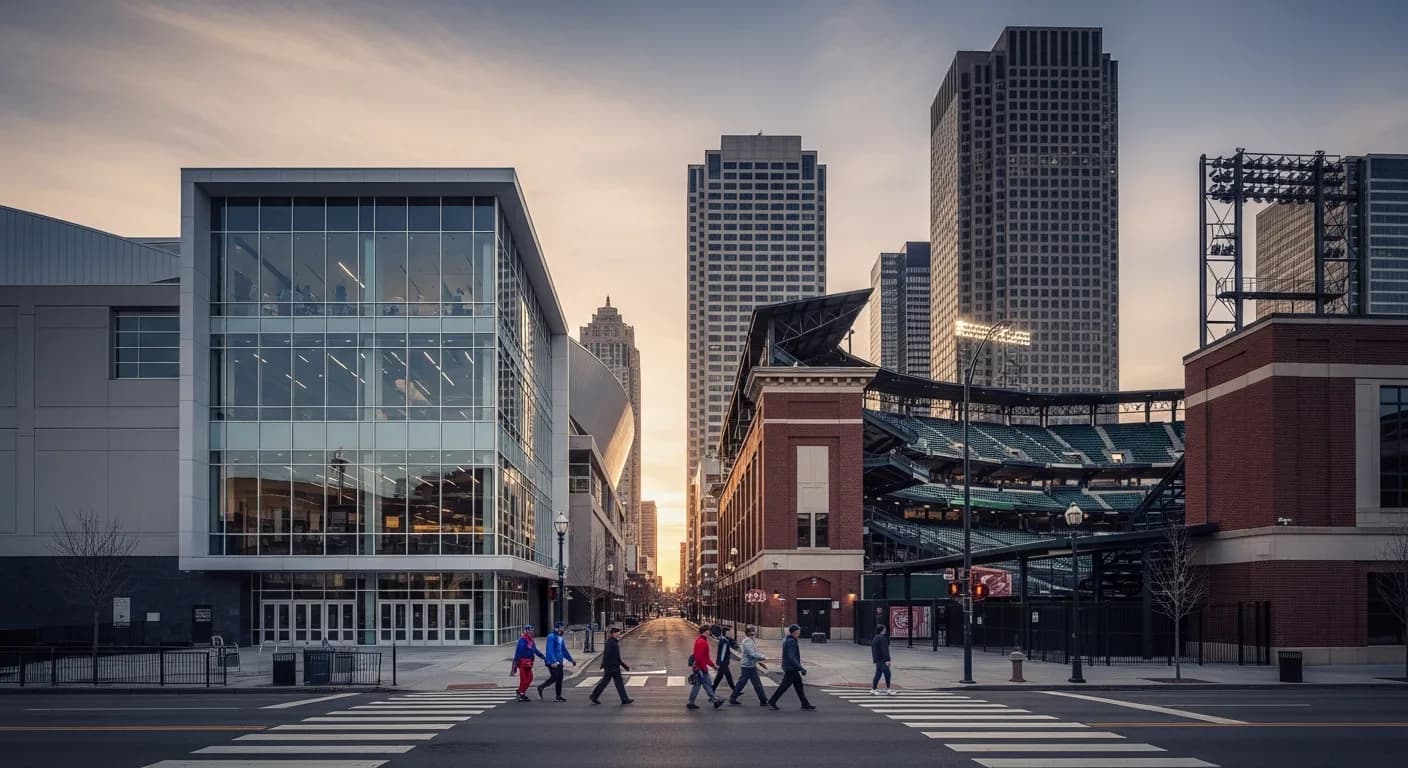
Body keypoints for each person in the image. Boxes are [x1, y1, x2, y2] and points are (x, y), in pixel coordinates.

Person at [767, 624, 816, 711]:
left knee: (799, 686)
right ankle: (772, 700)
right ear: (795, 632)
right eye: (798, 631)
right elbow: (791, 656)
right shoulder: (791, 642)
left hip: (790, 667)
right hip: (791, 668)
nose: (799, 632)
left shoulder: (789, 639)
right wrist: (800, 667)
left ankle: (805, 703)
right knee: (784, 686)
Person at [590, 626, 634, 705]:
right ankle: (624, 699)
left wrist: (623, 666)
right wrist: (604, 664)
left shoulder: (613, 642)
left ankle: (594, 695)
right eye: (618, 632)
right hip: (612, 666)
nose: (619, 634)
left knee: (610, 682)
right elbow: (607, 655)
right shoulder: (611, 643)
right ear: (613, 634)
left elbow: (615, 656)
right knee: (612, 683)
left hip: (613, 666)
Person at [728, 624, 769, 706]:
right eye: (754, 631)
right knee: (745, 683)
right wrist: (762, 657)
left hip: (750, 665)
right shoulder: (747, 642)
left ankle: (763, 700)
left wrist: (760, 659)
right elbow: (752, 654)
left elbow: (754, 653)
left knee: (753, 683)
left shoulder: (750, 641)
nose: (756, 632)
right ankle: (763, 700)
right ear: (751, 633)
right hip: (747, 666)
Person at [537, 621, 576, 701]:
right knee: (556, 677)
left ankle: (557, 695)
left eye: (563, 628)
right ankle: (542, 688)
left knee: (558, 678)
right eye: (561, 628)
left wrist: (571, 659)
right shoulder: (551, 637)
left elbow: (564, 650)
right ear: (556, 628)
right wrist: (554, 661)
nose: (562, 630)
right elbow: (549, 650)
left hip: (560, 661)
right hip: (552, 662)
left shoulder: (560, 638)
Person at [688, 624, 723, 710]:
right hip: (701, 668)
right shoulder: (702, 642)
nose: (710, 632)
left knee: (699, 685)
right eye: (708, 630)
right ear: (705, 631)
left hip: (700, 667)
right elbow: (700, 657)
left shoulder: (700, 640)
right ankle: (715, 700)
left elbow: (705, 657)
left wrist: (713, 665)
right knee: (707, 684)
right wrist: (699, 667)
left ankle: (691, 702)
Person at [511, 624, 546, 702]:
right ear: (526, 631)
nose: (532, 633)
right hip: (522, 663)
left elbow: (535, 650)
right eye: (530, 631)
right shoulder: (522, 640)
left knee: (529, 678)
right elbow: (518, 653)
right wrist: (515, 665)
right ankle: (521, 694)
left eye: (532, 631)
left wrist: (543, 657)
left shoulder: (531, 640)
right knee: (525, 679)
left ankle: (520, 691)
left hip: (529, 663)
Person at [871, 624, 895, 695]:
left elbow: (874, 650)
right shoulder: (882, 638)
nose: (885, 630)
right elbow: (885, 650)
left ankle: (884, 689)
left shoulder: (875, 638)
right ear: (882, 630)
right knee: (883, 674)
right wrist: (887, 660)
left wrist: (875, 659)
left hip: (878, 659)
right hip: (883, 660)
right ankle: (877, 689)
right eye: (884, 629)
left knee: (884, 674)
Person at [712, 624, 738, 692]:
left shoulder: (724, 640)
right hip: (723, 662)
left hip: (723, 662)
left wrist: (720, 663)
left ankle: (712, 690)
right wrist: (721, 663)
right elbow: (723, 653)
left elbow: (723, 652)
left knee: (720, 677)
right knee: (726, 677)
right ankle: (735, 691)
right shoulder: (724, 640)